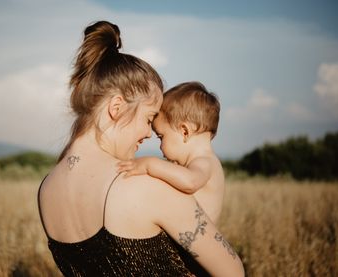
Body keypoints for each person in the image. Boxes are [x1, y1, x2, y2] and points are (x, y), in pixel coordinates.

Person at [37, 20, 244, 276]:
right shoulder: (142, 184)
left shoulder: (46, 190)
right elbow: (232, 272)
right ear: (116, 108)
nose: (148, 134)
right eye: (148, 119)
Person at [117, 81, 224, 225]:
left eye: (161, 137)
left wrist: (150, 164)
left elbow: (190, 182)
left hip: (194, 244)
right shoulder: (201, 162)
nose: (160, 146)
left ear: (185, 132)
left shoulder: (205, 162)